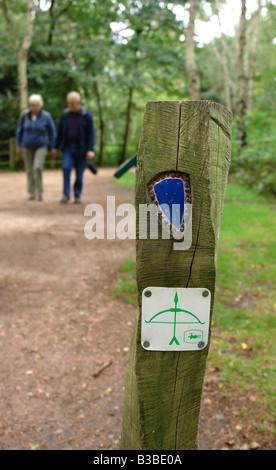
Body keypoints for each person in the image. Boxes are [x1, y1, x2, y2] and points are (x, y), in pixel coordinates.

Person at [52, 91, 95, 204]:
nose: (70, 106)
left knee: (79, 175)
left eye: (72, 103)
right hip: (68, 147)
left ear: (78, 102)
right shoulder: (65, 115)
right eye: (69, 103)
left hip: (82, 148)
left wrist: (90, 149)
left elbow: (91, 134)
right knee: (66, 168)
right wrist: (55, 146)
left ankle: (77, 195)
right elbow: (60, 132)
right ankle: (66, 194)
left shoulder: (86, 115)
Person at [16, 94, 56, 201]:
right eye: (32, 105)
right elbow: (19, 130)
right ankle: (31, 192)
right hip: (26, 145)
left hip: (41, 145)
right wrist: (18, 144)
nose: (34, 108)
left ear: (40, 105)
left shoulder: (46, 116)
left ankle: (39, 191)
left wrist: (54, 145)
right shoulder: (25, 116)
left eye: (36, 105)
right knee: (29, 169)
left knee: (37, 167)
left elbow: (52, 131)